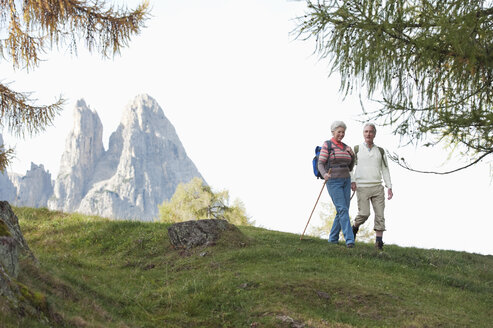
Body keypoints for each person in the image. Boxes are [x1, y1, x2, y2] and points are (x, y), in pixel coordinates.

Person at [350, 123, 393, 251]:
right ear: (363, 133)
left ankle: (379, 244)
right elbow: (350, 168)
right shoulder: (357, 149)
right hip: (362, 187)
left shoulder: (380, 151)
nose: (368, 134)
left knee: (380, 215)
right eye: (366, 131)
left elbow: (385, 169)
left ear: (375, 134)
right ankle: (354, 228)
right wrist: (353, 181)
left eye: (371, 132)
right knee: (364, 213)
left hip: (377, 187)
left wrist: (389, 186)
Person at [317, 121, 355, 248]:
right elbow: (321, 163)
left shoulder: (346, 147)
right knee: (343, 209)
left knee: (342, 210)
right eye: (339, 131)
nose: (341, 134)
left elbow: (350, 167)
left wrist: (352, 155)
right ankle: (350, 240)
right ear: (333, 132)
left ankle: (333, 239)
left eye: (343, 132)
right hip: (333, 181)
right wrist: (324, 174)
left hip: (346, 180)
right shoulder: (327, 144)